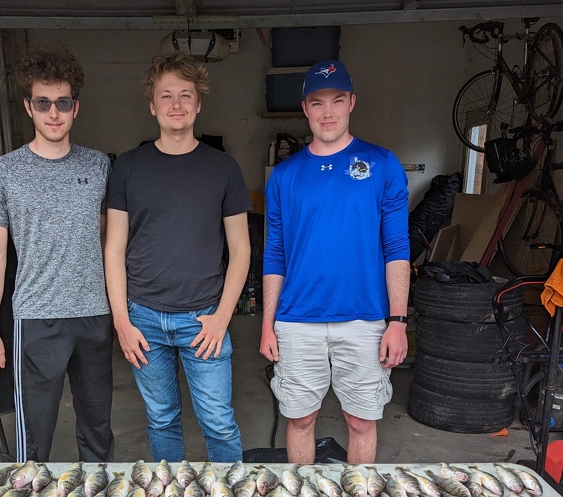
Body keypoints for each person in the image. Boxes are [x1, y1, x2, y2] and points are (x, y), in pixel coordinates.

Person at [260, 60, 410, 465]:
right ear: (305, 108)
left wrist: (398, 321)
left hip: (364, 318)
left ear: (351, 103)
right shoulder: (284, 176)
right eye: (317, 102)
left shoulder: (381, 164)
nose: (328, 112)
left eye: (337, 100)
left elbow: (397, 247)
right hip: (296, 320)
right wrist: (267, 323)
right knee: (299, 419)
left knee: (360, 421)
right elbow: (275, 253)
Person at [104, 52, 251, 463]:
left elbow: (241, 250)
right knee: (162, 419)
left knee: (218, 422)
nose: (176, 104)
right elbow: (113, 249)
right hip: (143, 318)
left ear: (198, 104)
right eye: (166, 95)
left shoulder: (223, 168)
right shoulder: (128, 167)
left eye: (185, 95)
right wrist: (122, 322)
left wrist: (222, 317)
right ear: (152, 106)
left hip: (203, 318)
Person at [0, 46, 114, 463]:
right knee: (34, 437)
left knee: (98, 430)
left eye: (63, 103)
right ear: (28, 107)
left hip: (94, 315)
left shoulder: (99, 166)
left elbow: (109, 243)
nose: (54, 113)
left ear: (76, 107)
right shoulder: (3, 171)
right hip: (37, 318)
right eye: (43, 103)